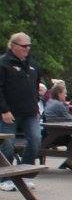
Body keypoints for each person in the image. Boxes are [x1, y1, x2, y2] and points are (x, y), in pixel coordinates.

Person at [0, 33, 43, 191]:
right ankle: (5, 179)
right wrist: (4, 110)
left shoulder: (33, 65)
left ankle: (24, 175)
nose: (27, 49)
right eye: (24, 46)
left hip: (30, 112)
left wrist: (36, 106)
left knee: (36, 140)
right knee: (7, 145)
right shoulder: (3, 63)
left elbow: (36, 87)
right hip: (9, 113)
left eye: (29, 46)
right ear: (13, 46)